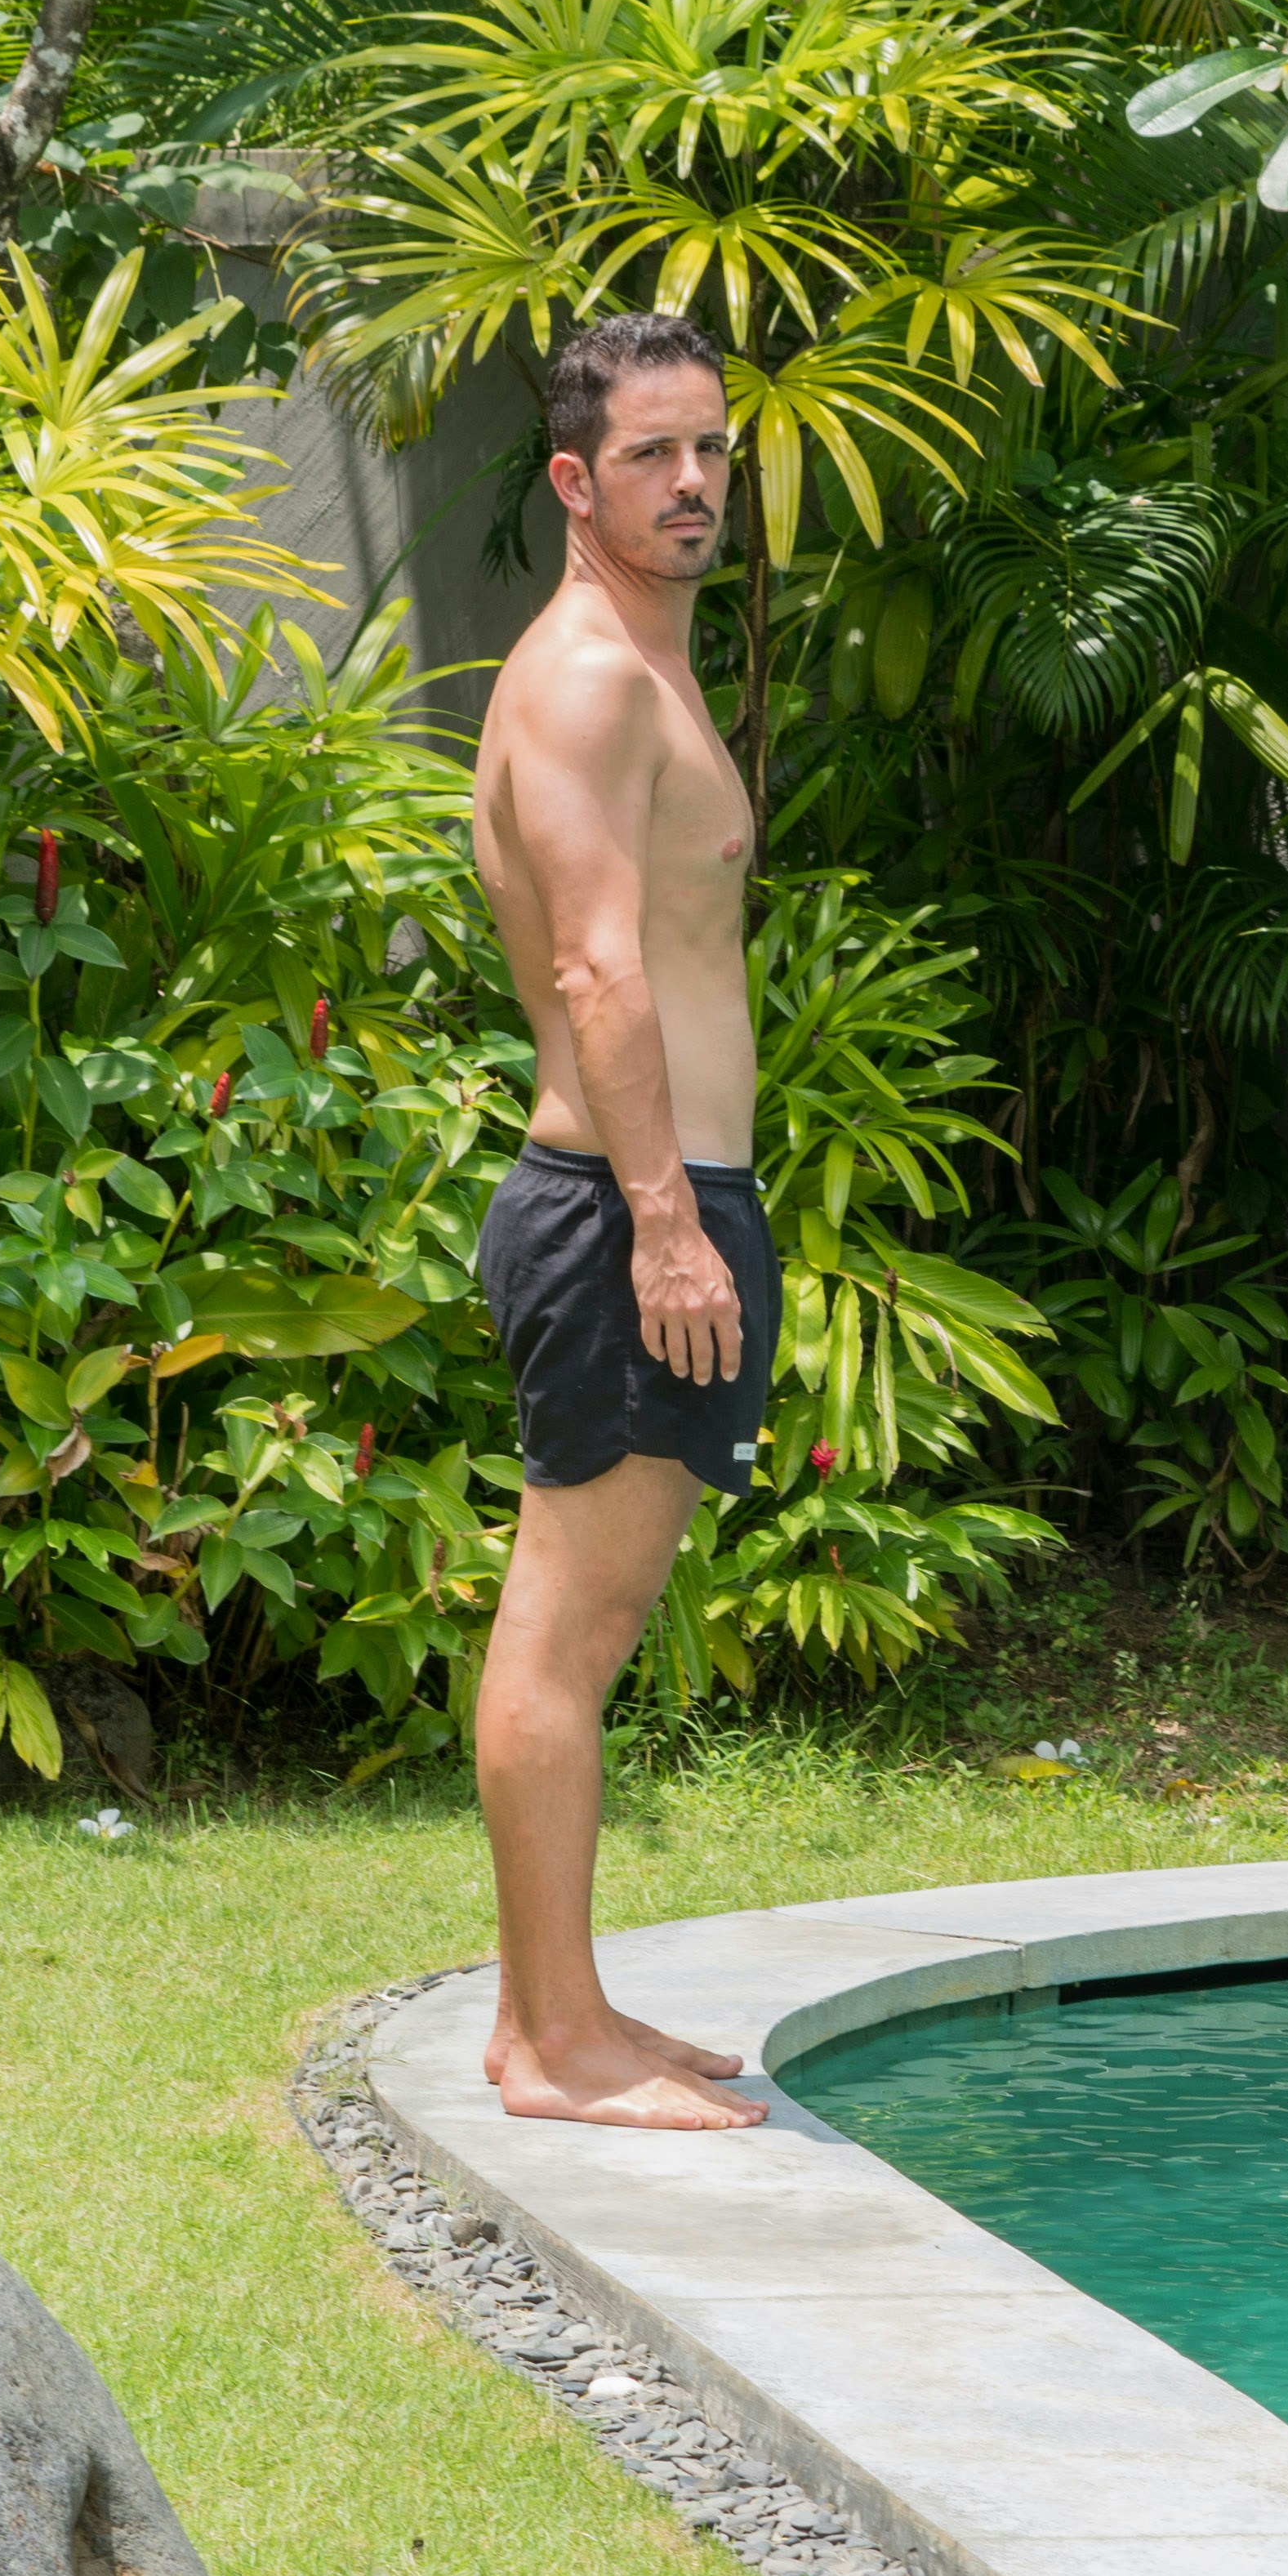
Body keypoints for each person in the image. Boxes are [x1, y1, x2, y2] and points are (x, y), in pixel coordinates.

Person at [465, 312, 780, 2131]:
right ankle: (560, 2049)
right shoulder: (586, 679)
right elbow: (595, 961)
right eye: (653, 456)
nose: (692, 484)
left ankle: (553, 2014)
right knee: (567, 1631)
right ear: (576, 482)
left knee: (576, 1615)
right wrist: (667, 1225)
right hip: (622, 1202)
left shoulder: (639, 671)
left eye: (710, 451)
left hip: (654, 1194)